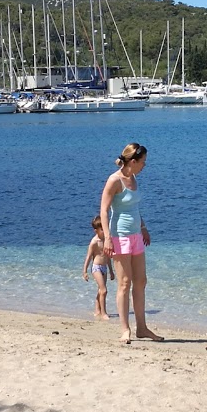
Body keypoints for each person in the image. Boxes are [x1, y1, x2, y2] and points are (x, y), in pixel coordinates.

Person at [99, 141, 162, 343]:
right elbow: (104, 210)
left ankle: (142, 328)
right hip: (119, 236)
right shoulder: (114, 180)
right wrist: (108, 238)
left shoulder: (134, 177)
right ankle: (125, 329)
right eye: (143, 162)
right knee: (124, 283)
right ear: (132, 161)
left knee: (141, 281)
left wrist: (144, 227)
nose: (145, 165)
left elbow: (134, 207)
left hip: (136, 235)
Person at [81, 216, 114, 321]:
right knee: (104, 290)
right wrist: (85, 271)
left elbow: (108, 257)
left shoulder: (106, 240)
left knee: (100, 290)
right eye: (102, 229)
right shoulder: (94, 242)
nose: (105, 231)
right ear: (96, 230)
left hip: (104, 268)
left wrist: (111, 271)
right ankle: (104, 313)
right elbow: (88, 257)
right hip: (96, 268)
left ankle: (97, 310)